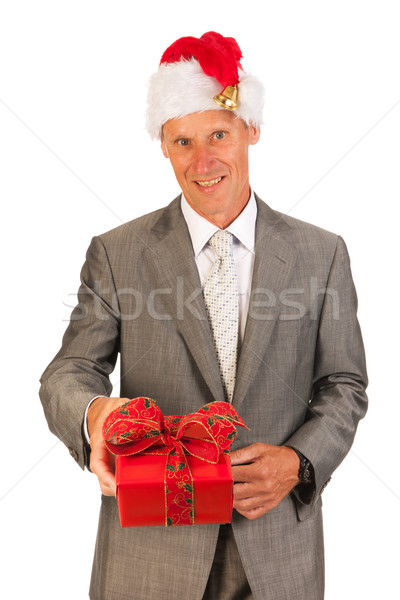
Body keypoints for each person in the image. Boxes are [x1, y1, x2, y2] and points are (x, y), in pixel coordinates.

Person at [39, 32, 368, 600]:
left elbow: (343, 384)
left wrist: (300, 460)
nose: (203, 159)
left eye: (219, 133)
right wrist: (95, 416)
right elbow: (67, 373)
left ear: (251, 131)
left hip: (277, 556)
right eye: (183, 140)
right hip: (151, 557)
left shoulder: (322, 253)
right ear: (164, 147)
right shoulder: (118, 253)